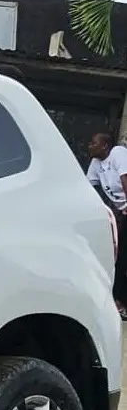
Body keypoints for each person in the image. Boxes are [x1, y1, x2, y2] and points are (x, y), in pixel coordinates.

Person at [86, 132, 127, 318]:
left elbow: (125, 179)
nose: (89, 146)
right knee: (117, 256)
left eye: (93, 143)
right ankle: (119, 300)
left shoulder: (118, 153)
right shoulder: (97, 163)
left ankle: (121, 301)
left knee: (122, 257)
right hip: (121, 212)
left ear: (105, 146)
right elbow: (89, 190)